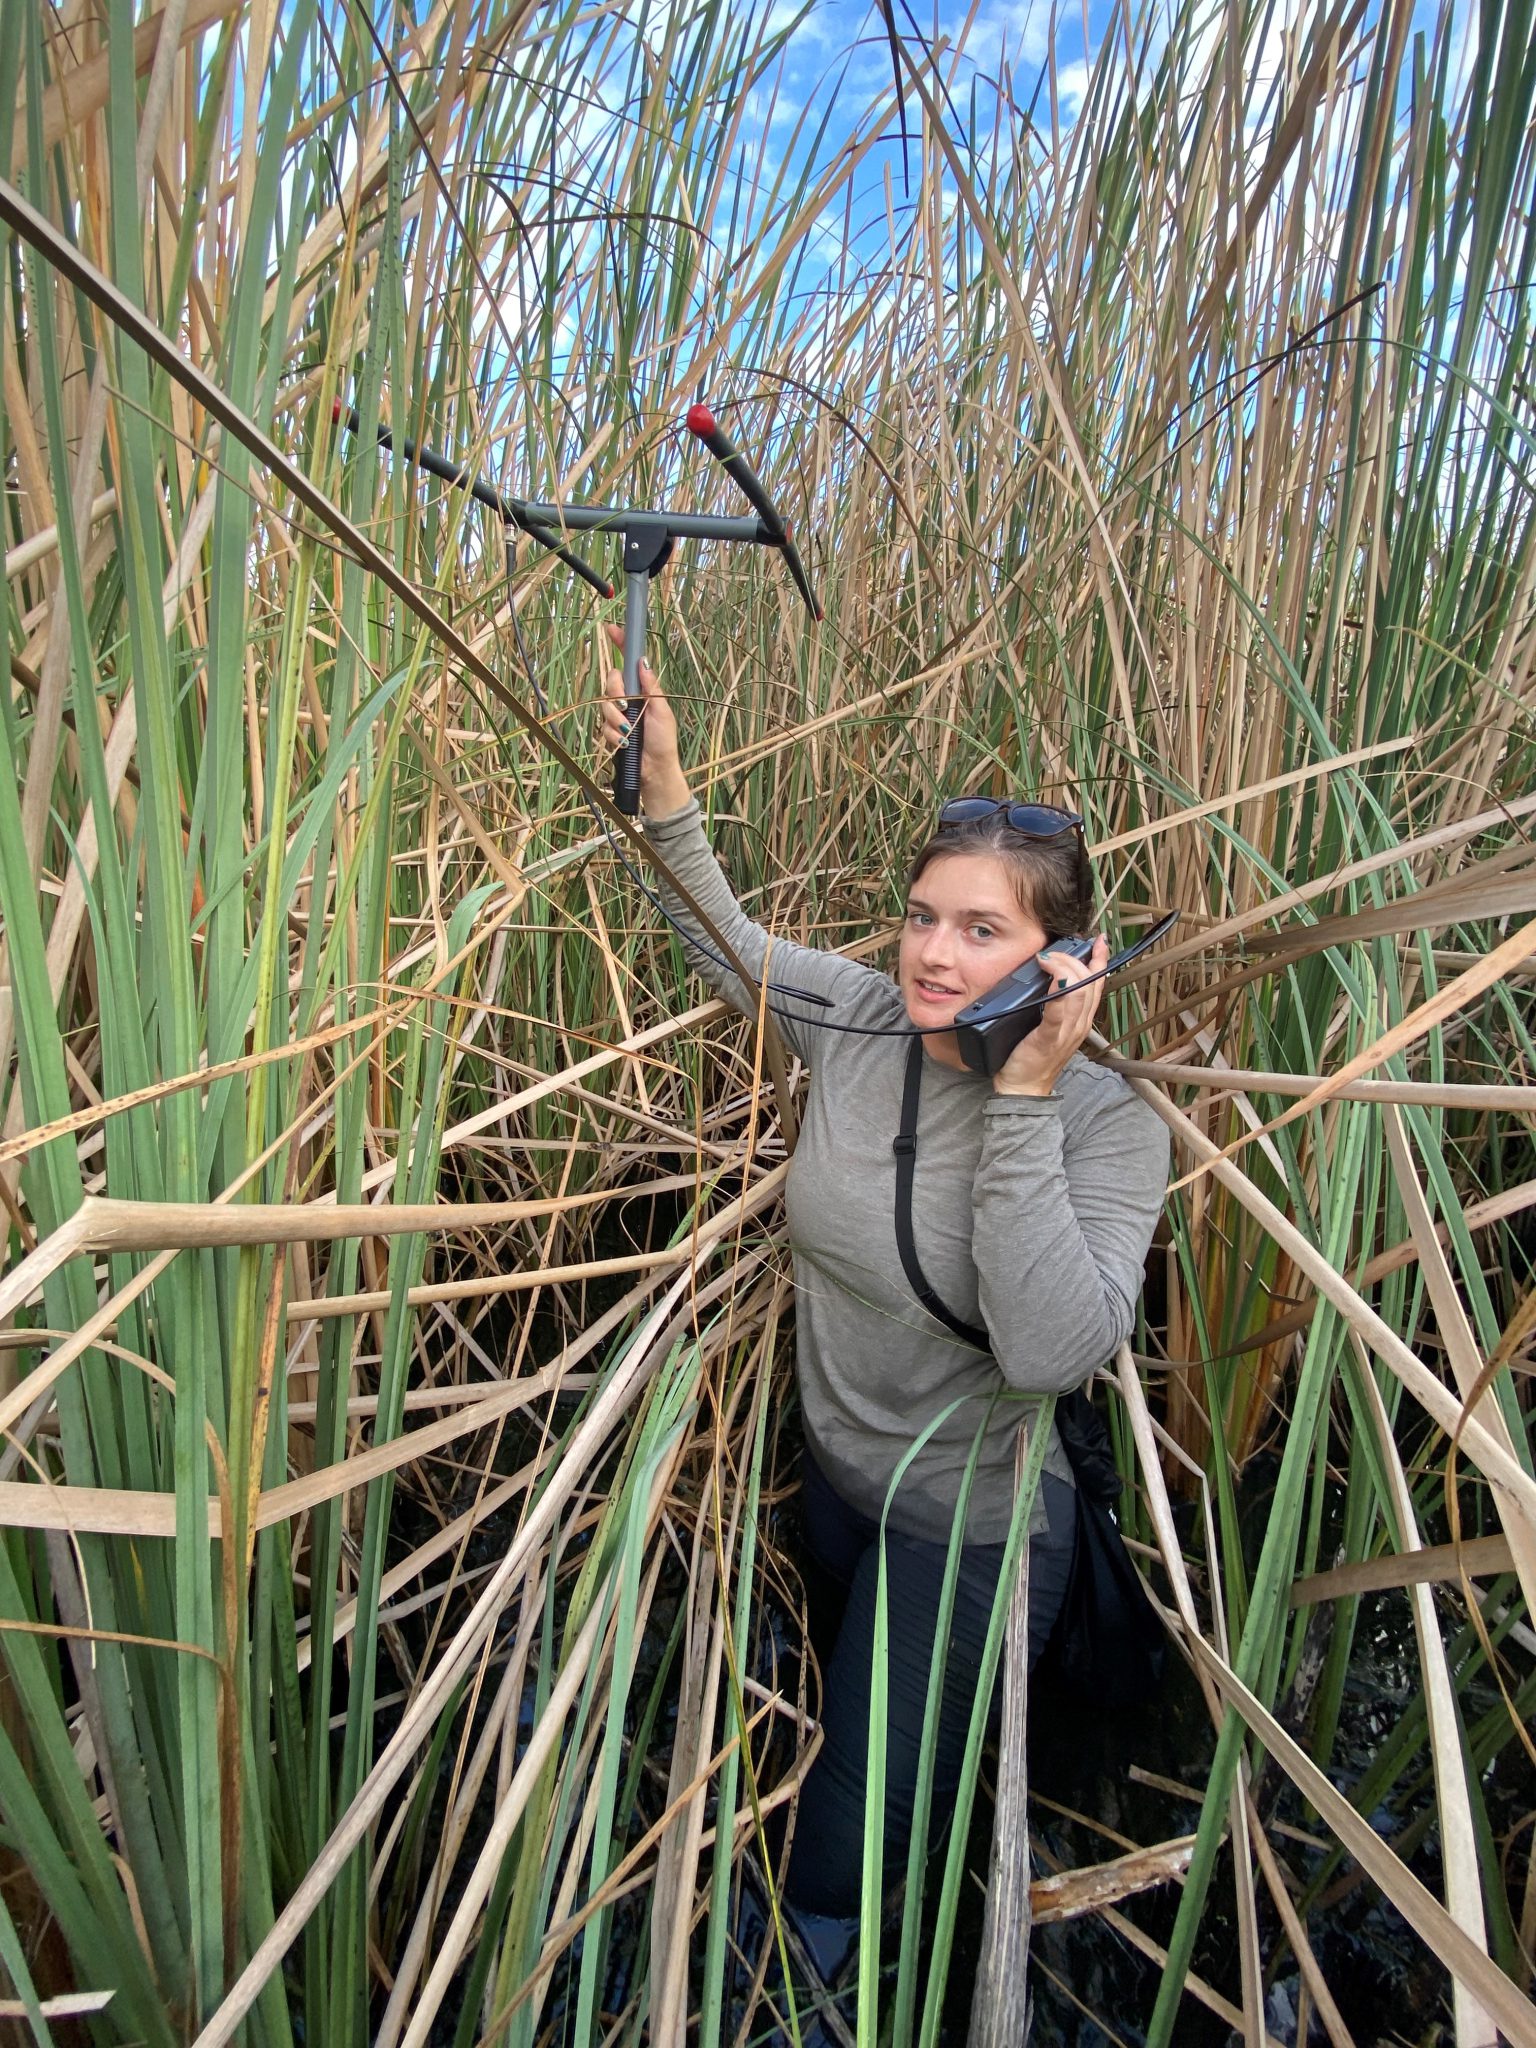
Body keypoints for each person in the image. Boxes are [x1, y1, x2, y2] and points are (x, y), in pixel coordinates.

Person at [598, 630, 1170, 1975]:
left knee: (833, 1872)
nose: (932, 954)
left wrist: (1023, 1094)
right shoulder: (852, 1016)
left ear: (1061, 962)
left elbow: (1046, 1350)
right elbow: (718, 937)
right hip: (834, 1482)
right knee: (850, 1701)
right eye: (923, 915)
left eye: (984, 931)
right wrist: (667, 785)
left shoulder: (1105, 1124)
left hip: (968, 1531)